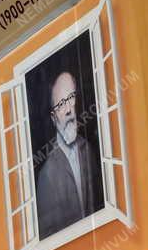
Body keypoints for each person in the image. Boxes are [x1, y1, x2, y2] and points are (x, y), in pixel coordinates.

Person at [35, 69, 102, 240]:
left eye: (71, 99)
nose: (68, 110)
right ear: (53, 118)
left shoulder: (89, 152)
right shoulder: (46, 175)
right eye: (60, 105)